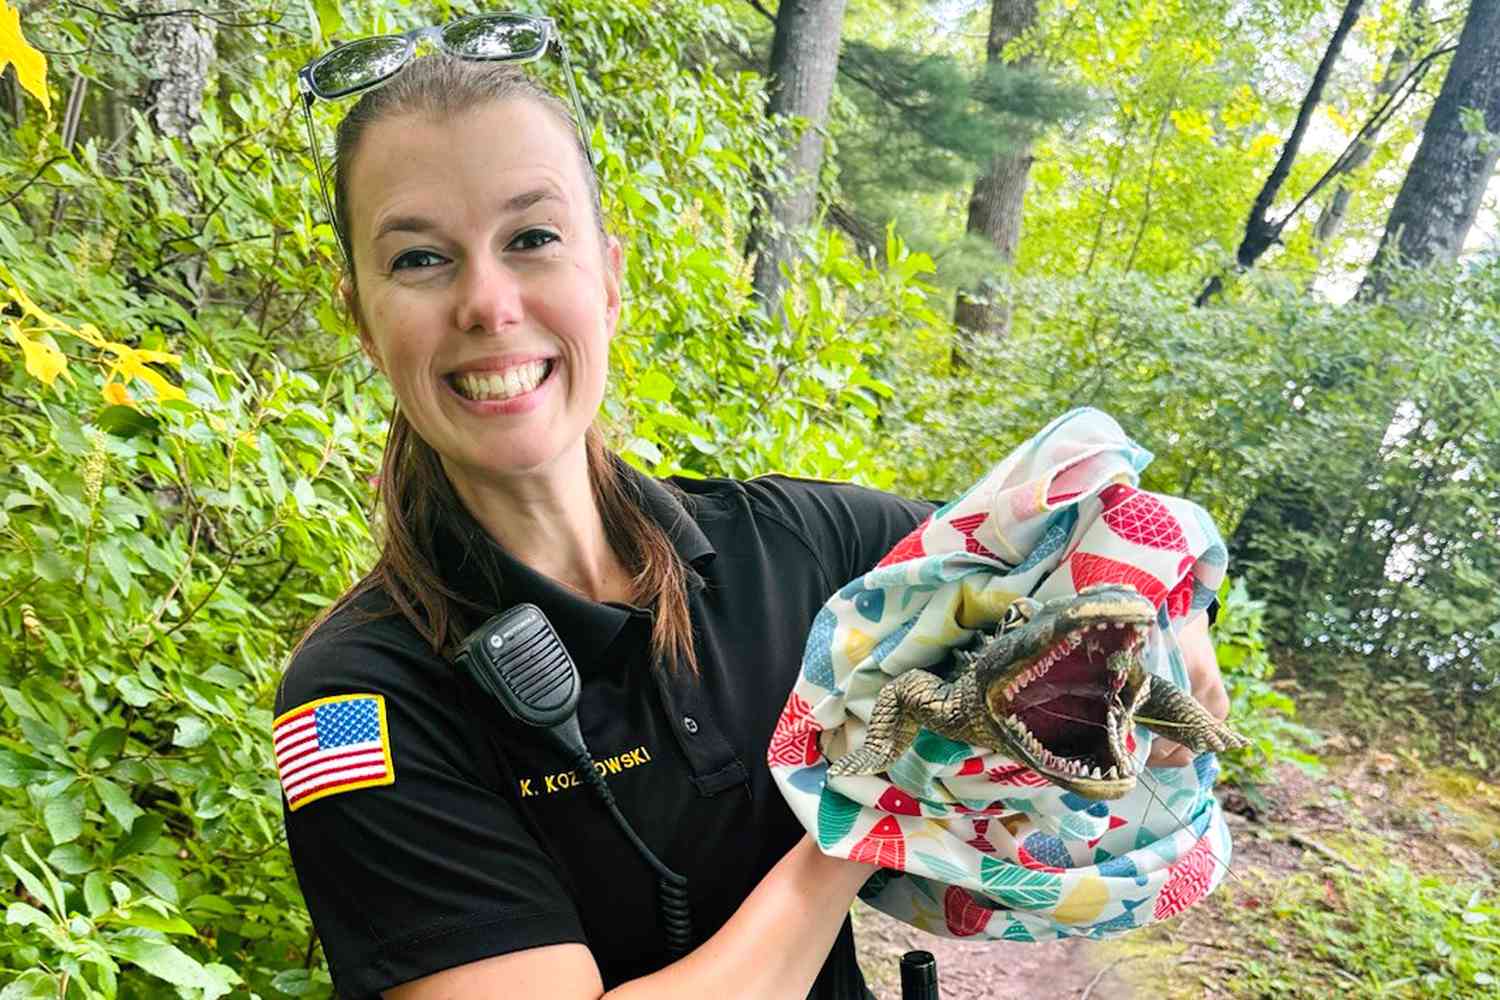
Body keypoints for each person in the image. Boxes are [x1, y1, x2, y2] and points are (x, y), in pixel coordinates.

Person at [273, 35, 1231, 1000]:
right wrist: (869, 811)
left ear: (607, 278)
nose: (487, 303)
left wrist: (1167, 609)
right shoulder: (358, 700)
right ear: (362, 318)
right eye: (421, 258)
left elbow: (1071, 533)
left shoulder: (794, 549)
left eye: (531, 238)